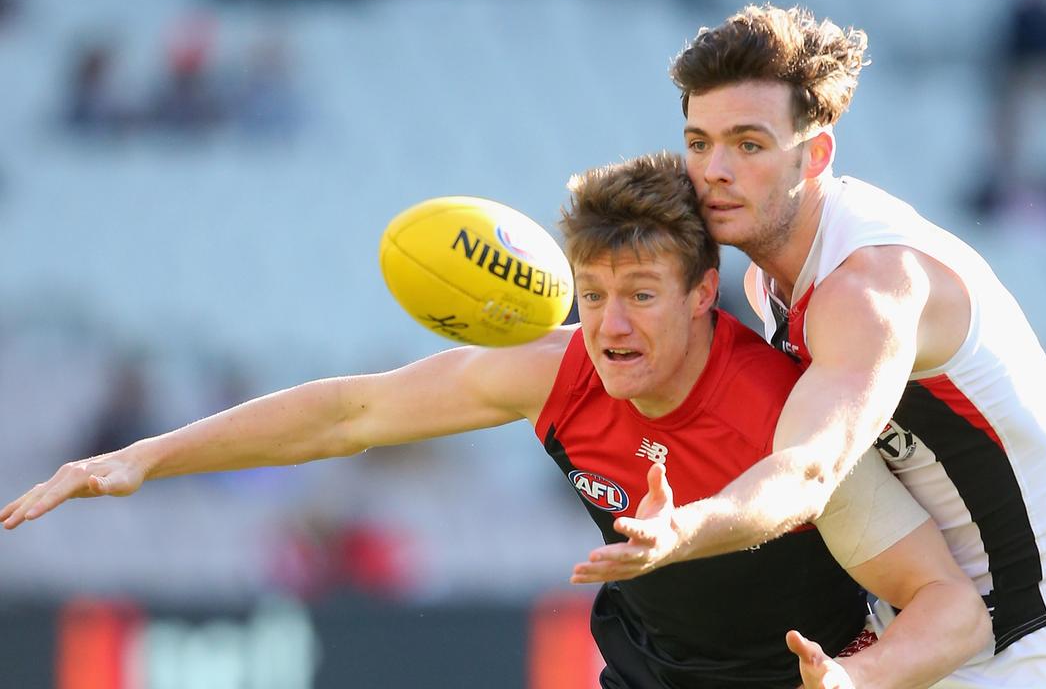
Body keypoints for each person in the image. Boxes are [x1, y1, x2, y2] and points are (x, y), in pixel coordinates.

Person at [3, 153, 988, 688]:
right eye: (592, 293)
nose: (607, 324)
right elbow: (350, 412)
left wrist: (860, 688)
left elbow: (945, 605)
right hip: (647, 676)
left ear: (701, 295)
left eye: (640, 294)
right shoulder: (560, 372)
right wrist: (145, 457)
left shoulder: (790, 410)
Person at [572, 5, 1046, 688]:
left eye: (749, 145)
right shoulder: (769, 279)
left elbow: (811, 470)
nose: (714, 172)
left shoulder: (867, 284)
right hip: (923, 637)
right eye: (699, 143)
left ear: (815, 154)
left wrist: (686, 529)